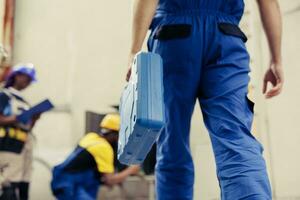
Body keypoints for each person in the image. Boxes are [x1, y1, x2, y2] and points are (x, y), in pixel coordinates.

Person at [126, 0, 283, 199]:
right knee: (235, 137)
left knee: (171, 140)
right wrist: (276, 59)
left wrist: (134, 49)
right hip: (225, 38)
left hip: (174, 37)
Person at [51, 114, 140, 200]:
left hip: (62, 179)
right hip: (71, 185)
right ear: (115, 134)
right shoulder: (104, 148)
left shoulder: (90, 137)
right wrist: (131, 170)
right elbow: (110, 180)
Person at [0, 63, 39, 200]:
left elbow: (27, 128)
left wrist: (34, 118)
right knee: (9, 185)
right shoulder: (4, 95)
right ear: (16, 76)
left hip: (23, 145)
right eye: (25, 78)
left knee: (23, 184)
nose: (27, 83)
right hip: (8, 145)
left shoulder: (23, 101)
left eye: (29, 80)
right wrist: (18, 117)